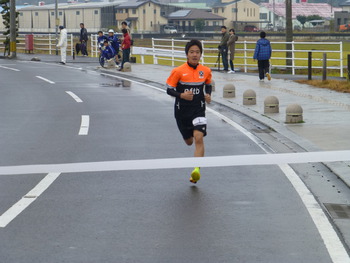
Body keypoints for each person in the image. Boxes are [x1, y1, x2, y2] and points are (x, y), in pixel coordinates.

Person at [166, 39, 212, 184]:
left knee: (199, 137)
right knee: (189, 141)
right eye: (192, 52)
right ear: (187, 54)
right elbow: (169, 89)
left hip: (198, 109)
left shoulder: (205, 71)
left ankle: (196, 170)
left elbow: (208, 83)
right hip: (182, 112)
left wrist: (208, 95)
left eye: (197, 52)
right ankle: (187, 135)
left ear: (200, 55)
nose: (194, 55)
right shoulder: (178, 71)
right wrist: (181, 95)